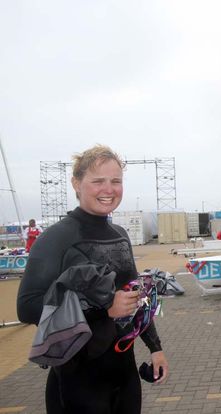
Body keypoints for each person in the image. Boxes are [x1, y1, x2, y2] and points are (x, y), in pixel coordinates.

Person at [17, 145, 169, 413]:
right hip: (77, 379)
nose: (108, 189)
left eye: (116, 181)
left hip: (124, 373)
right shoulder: (56, 238)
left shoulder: (120, 234)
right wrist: (104, 307)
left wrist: (155, 348)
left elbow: (137, 297)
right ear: (76, 183)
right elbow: (27, 306)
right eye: (98, 181)